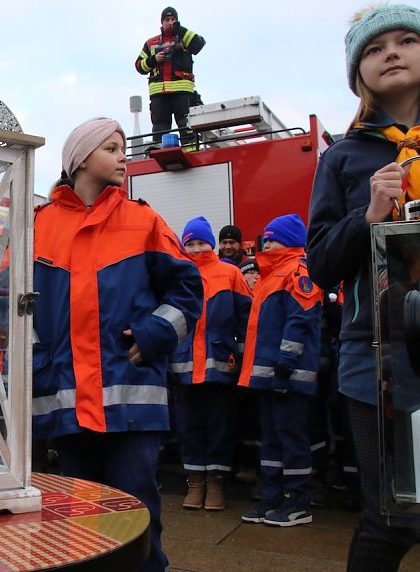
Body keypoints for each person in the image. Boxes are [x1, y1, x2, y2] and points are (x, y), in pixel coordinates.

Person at [31, 117, 203, 572]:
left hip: (131, 396)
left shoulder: (142, 221)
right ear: (80, 160)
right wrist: (35, 360)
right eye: (110, 147)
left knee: (136, 506)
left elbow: (188, 290)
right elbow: (10, 307)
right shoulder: (37, 228)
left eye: (122, 147)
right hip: (65, 399)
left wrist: (157, 333)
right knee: (79, 513)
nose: (122, 155)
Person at [305, 5, 420, 569]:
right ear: (358, 74)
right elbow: (321, 264)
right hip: (375, 358)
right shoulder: (343, 157)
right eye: (374, 49)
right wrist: (368, 214)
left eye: (406, 40)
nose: (391, 53)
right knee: (389, 520)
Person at [239, 214, 323, 527]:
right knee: (271, 439)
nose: (266, 243)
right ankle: (271, 497)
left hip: (286, 375)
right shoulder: (270, 274)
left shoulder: (298, 272)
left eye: (272, 239)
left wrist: (285, 366)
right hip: (267, 375)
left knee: (291, 437)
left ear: (288, 241)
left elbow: (299, 321)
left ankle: (298, 501)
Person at [171, 216, 251, 511]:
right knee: (188, 425)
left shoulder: (230, 273)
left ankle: (216, 483)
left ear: (212, 244)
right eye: (189, 243)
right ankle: (194, 483)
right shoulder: (176, 275)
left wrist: (241, 357)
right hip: (183, 366)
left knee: (220, 425)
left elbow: (245, 318)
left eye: (201, 242)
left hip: (219, 364)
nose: (195, 248)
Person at [135, 6, 206, 144]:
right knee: (160, 126)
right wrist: (154, 59)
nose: (170, 22)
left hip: (182, 90)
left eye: (173, 19)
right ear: (161, 22)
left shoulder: (184, 38)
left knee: (185, 123)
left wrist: (180, 30)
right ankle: (159, 151)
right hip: (159, 93)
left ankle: (190, 150)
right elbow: (139, 66)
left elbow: (198, 44)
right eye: (167, 19)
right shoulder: (151, 43)